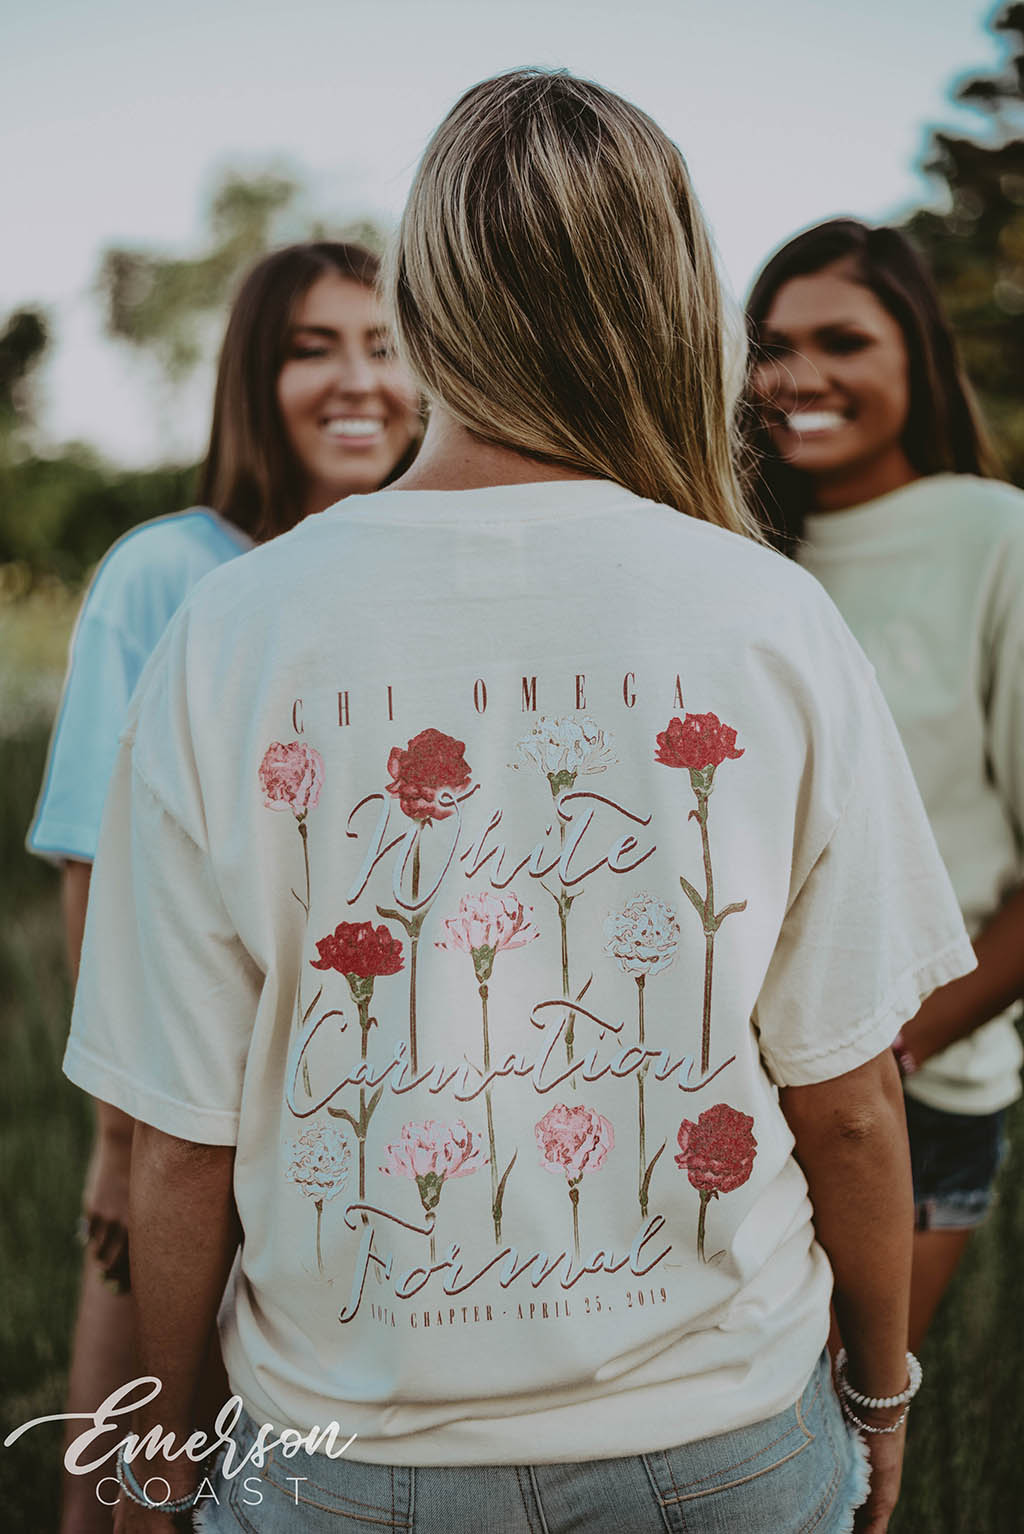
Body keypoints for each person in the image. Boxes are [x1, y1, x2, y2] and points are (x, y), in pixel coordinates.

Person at [63, 73, 978, 1534]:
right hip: (722, 1440)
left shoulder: (234, 630)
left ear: (422, 301)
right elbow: (853, 1106)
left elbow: (177, 1137)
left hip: (337, 1461)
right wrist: (880, 1398)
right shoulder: (768, 616)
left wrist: (158, 1470)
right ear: (673, 302)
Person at [27, 239, 422, 1533]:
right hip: (185, 1101)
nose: (358, 380)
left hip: (359, 1102)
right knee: (136, 1459)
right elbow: (97, 867)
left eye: (384, 345)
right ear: (256, 376)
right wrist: (117, 1141)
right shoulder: (167, 570)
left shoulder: (421, 569)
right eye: (315, 348)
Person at [745, 218, 1024, 1353]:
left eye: (843, 341)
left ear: (916, 353)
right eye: (772, 347)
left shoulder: (994, 537)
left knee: (845, 1427)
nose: (800, 376)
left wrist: (881, 1053)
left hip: (913, 1097)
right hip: (731, 1096)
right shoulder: (733, 551)